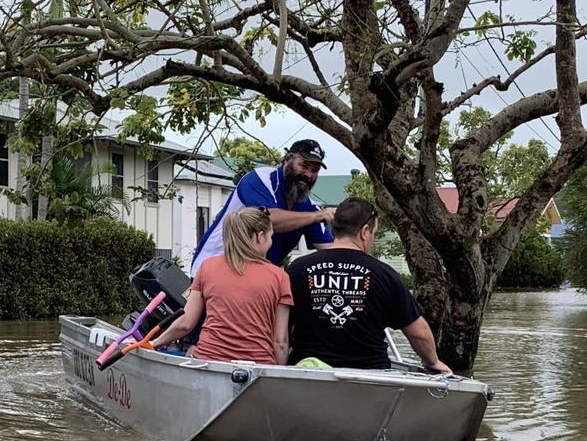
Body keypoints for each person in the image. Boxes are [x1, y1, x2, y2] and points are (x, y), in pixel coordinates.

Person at [286, 197, 452, 374]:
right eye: (374, 233)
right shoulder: (384, 274)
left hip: (308, 375)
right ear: (365, 231)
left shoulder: (297, 269)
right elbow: (418, 332)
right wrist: (433, 361)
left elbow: (280, 330)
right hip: (371, 376)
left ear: (334, 228)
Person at [152, 208, 292, 365]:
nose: (271, 242)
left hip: (209, 362)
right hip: (256, 367)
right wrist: (280, 376)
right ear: (260, 237)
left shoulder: (207, 267)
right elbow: (280, 341)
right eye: (270, 237)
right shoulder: (279, 277)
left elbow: (185, 323)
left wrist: (154, 343)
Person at [190, 139, 337, 276]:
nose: (308, 175)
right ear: (286, 161)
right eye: (304, 166)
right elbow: (268, 220)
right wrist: (316, 216)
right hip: (214, 270)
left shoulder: (308, 207)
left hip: (254, 279)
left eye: (315, 170)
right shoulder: (260, 180)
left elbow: (331, 251)